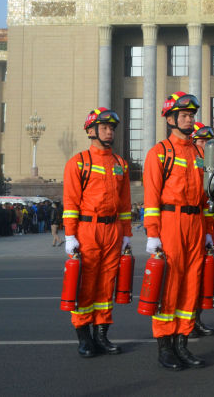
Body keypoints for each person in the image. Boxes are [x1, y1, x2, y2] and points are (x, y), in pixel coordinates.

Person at [143, 92, 213, 371]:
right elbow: (151, 197)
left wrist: (210, 230)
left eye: (191, 115)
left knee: (191, 283)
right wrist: (152, 233)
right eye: (184, 115)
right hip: (171, 222)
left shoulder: (200, 153)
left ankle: (182, 342)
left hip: (196, 223)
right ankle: (165, 345)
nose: (189, 120)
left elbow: (207, 196)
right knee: (170, 285)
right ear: (170, 119)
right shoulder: (159, 152)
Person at [61, 107, 132, 357]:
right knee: (86, 284)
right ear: (91, 131)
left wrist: (126, 234)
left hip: (113, 230)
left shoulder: (120, 164)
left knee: (107, 283)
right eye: (104, 128)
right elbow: (70, 202)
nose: (109, 132)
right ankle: (84, 337)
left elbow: (125, 204)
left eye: (112, 128)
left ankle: (101, 335)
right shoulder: (78, 162)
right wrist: (70, 236)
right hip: (87, 230)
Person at [188, 121, 214, 339]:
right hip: (185, 221)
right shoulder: (193, 160)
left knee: (200, 276)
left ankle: (196, 319)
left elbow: (210, 198)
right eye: (201, 141)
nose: (204, 146)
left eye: (208, 142)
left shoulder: (209, 162)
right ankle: (185, 323)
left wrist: (211, 231)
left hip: (203, 222)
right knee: (186, 279)